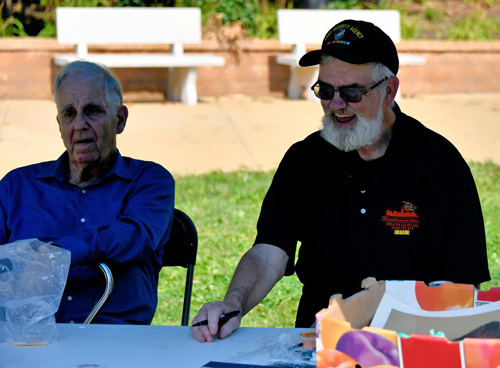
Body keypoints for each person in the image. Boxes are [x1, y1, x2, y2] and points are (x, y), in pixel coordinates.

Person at [191, 19, 490, 342]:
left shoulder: (439, 164)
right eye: (326, 90)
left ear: (389, 90)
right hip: (318, 342)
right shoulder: (305, 159)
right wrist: (232, 303)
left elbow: (462, 285)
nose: (336, 104)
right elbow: (269, 252)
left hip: (409, 345)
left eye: (351, 92)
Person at [0, 60, 175, 324]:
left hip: (116, 341)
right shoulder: (17, 186)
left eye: (92, 111)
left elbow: (135, 235)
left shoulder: (149, 181)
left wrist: (60, 253)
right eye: (69, 114)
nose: (79, 124)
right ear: (60, 124)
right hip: (30, 340)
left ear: (120, 119)